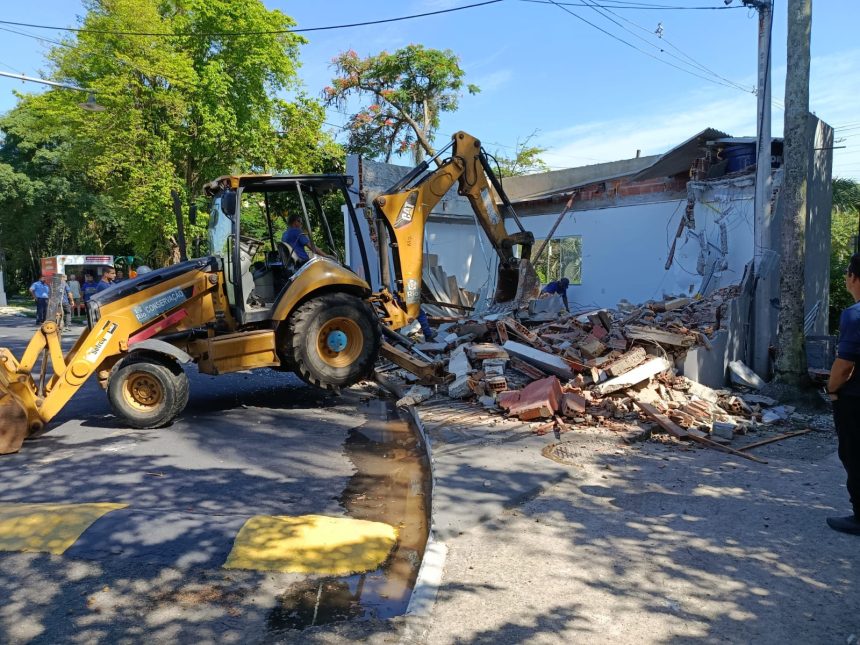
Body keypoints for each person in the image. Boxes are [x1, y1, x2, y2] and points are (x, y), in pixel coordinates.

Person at [827, 253, 860, 535]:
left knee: (853, 454)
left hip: (855, 401)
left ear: (853, 277)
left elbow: (844, 365)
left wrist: (832, 390)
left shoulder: (854, 315)